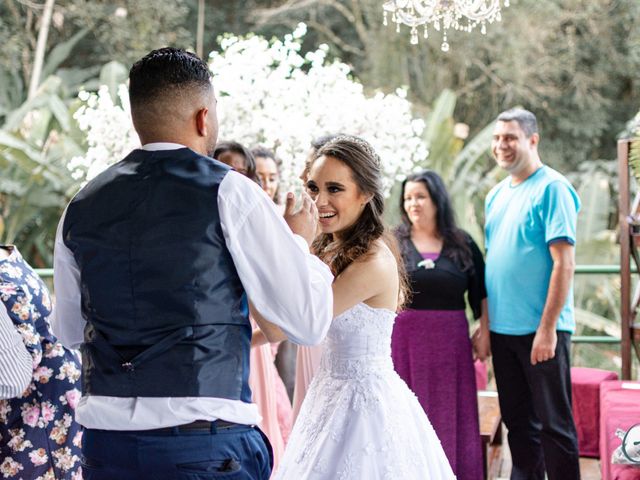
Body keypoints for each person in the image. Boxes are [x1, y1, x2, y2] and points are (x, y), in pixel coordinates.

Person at [52, 47, 333, 480]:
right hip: (203, 443)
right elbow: (307, 322)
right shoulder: (231, 192)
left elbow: (69, 331)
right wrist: (299, 242)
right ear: (204, 117)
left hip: (107, 446)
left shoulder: (81, 205)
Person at [274, 136, 455, 479]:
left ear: (366, 194)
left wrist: (291, 243)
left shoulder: (373, 261)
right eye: (313, 187)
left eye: (334, 189)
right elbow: (278, 318)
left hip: (364, 404)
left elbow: (302, 319)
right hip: (326, 392)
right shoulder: (326, 248)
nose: (319, 200)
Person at [482, 108, 581, 480]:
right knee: (518, 428)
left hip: (543, 334)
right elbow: (497, 263)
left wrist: (547, 329)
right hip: (504, 333)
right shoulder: (494, 196)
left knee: (555, 428)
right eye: (496, 138)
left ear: (532, 140)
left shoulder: (553, 188)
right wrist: (487, 325)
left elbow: (564, 263)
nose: (501, 145)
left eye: (510, 137)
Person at [391, 169, 486, 479]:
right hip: (403, 343)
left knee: (450, 412)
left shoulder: (462, 242)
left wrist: (483, 330)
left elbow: (481, 293)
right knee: (406, 412)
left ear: (437, 200)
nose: (413, 204)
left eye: (420, 196)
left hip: (451, 345)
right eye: (407, 198)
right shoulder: (393, 242)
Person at [0, 245, 83, 480]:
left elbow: (22, 364)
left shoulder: (5, 284)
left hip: (40, 410)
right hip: (49, 401)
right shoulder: (8, 260)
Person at [291, 134, 341, 423]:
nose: (300, 174)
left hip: (327, 350)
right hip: (306, 346)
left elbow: (308, 311)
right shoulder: (310, 229)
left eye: (308, 166)